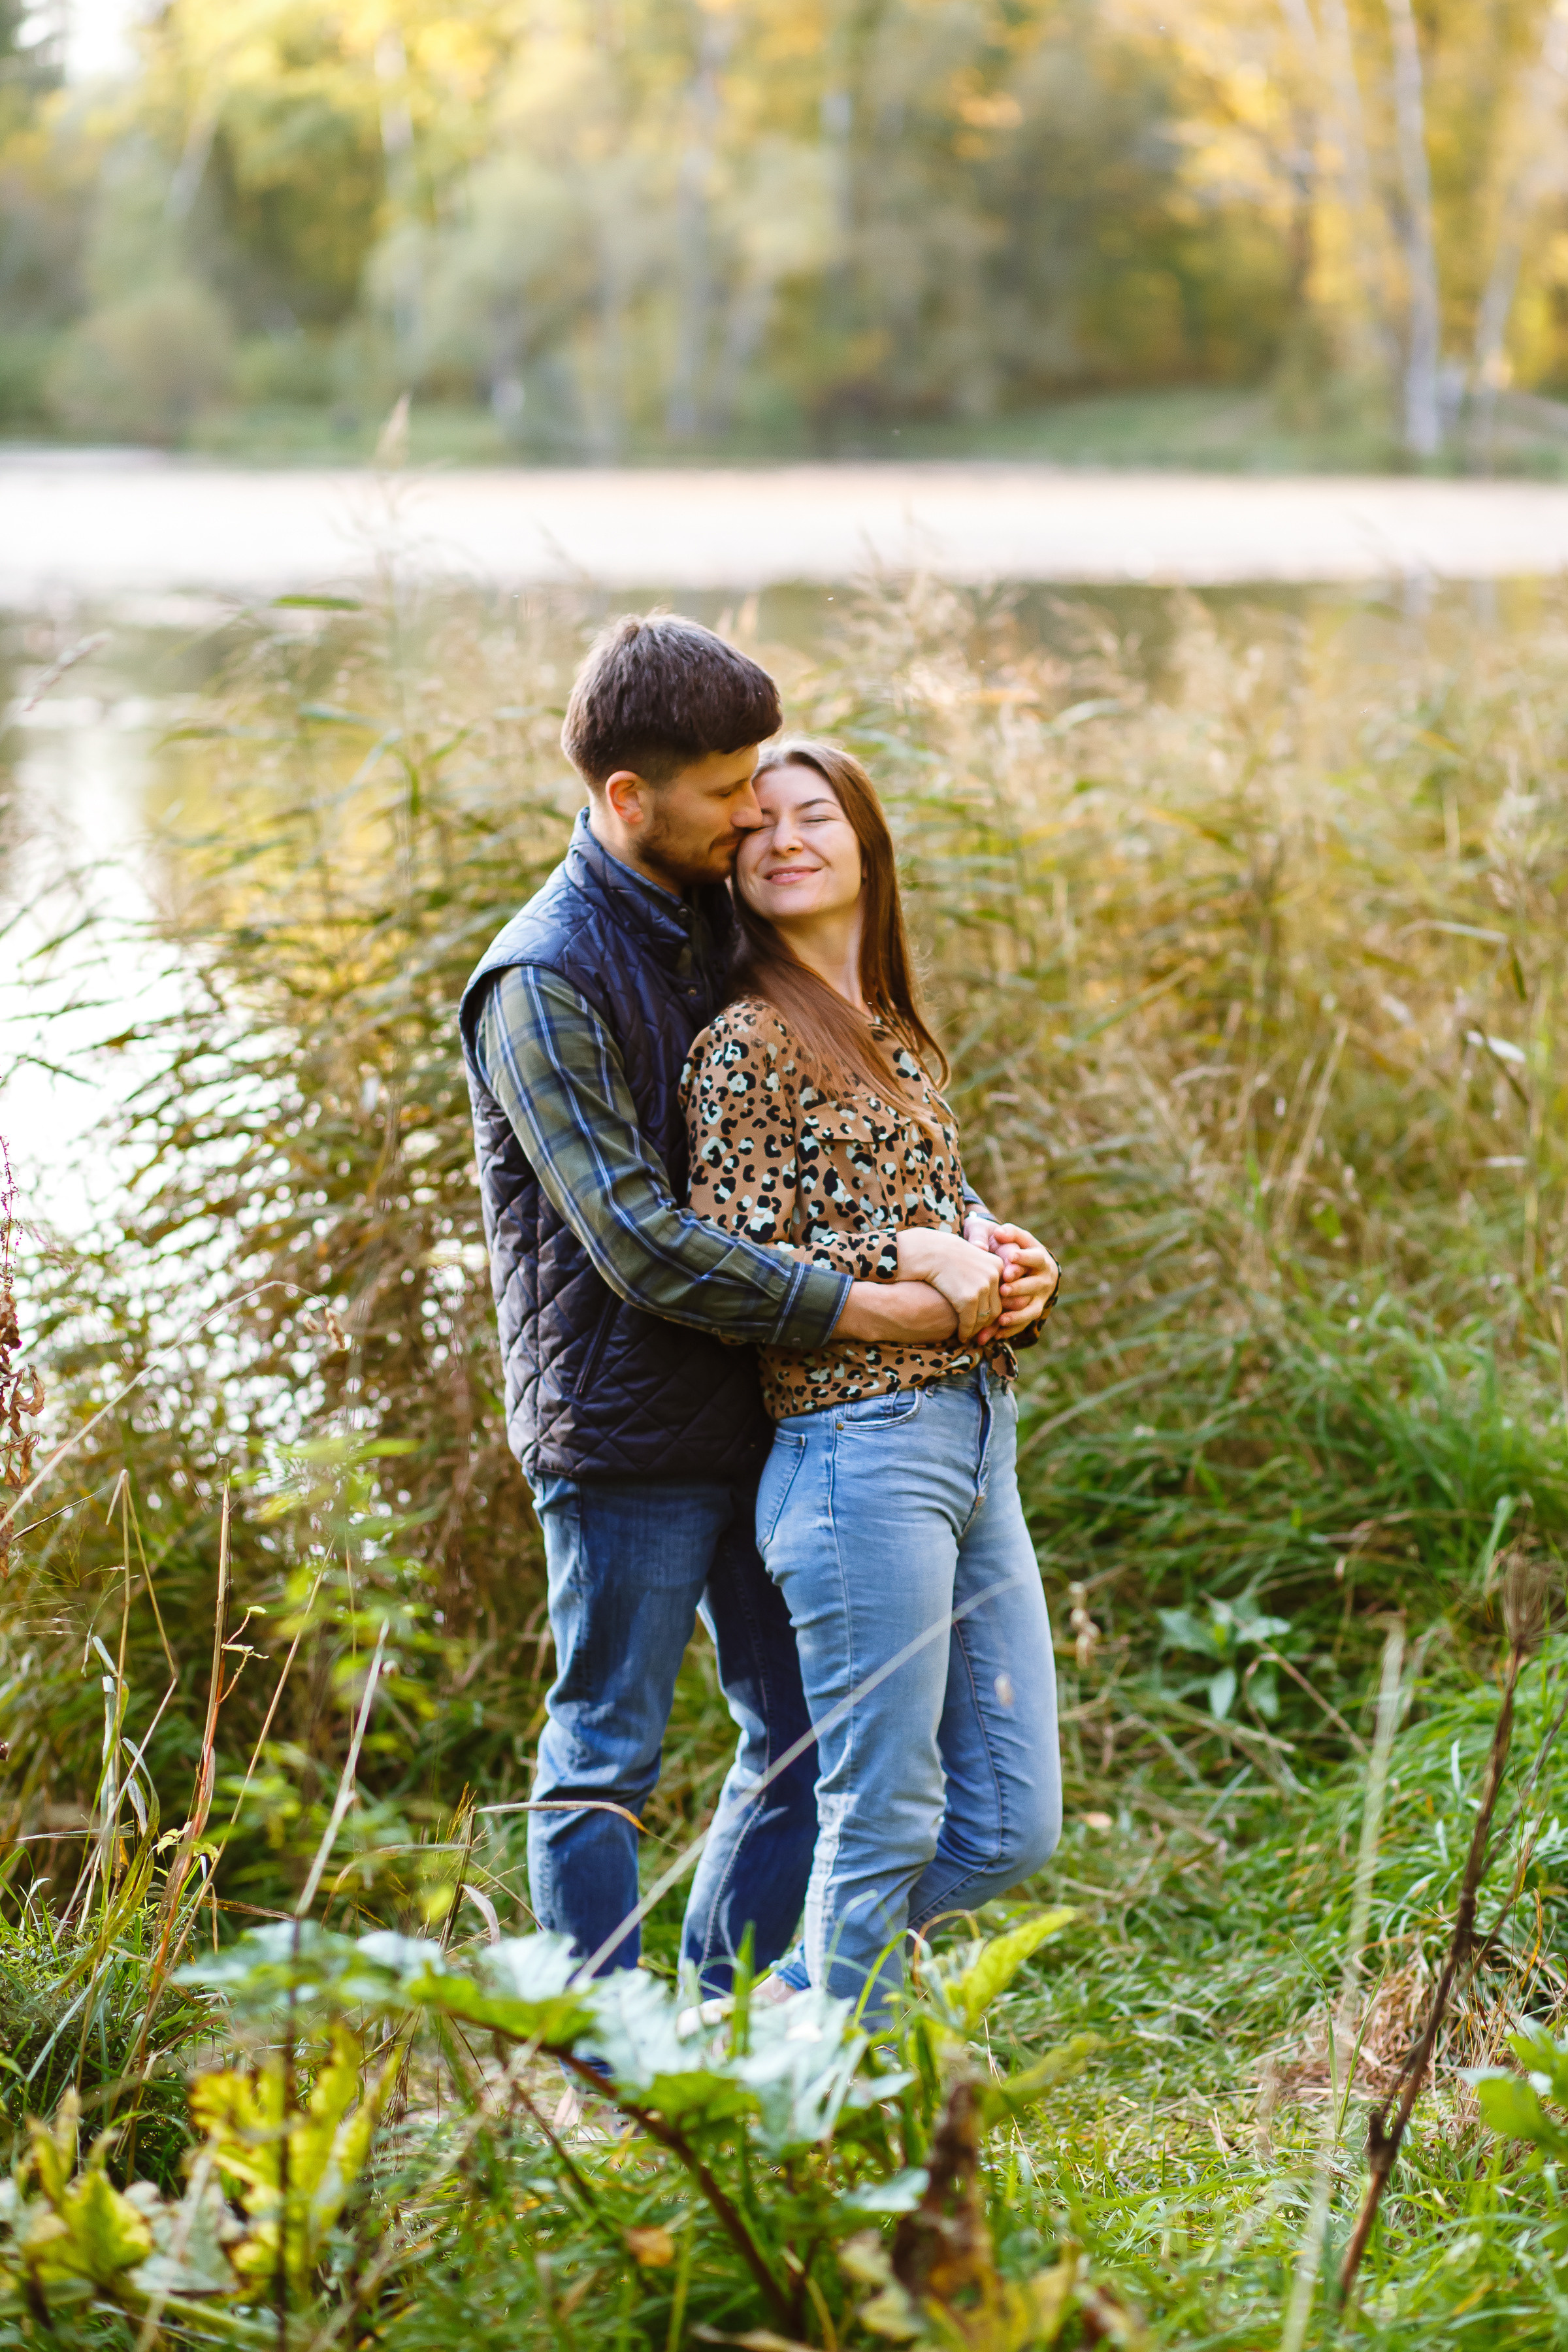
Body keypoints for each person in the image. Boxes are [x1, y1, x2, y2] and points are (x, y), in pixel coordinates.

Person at [458, 617, 1005, 1995]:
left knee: (802, 1739)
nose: (758, 808)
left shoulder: (714, 912)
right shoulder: (541, 979)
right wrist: (890, 1312)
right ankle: (601, 2058)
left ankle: (720, 2018)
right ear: (628, 798)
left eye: (762, 774)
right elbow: (641, 1246)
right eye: (727, 787)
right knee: (604, 1755)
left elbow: (840, 1136)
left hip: (771, 1410)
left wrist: (977, 1243)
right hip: (627, 1431)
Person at [681, 736, 1063, 2019]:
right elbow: (732, 1255)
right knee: (883, 1811)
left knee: (1008, 1826)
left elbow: (930, 1210)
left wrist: (1007, 1257)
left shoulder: (892, 1035)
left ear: (866, 847)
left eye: (814, 817)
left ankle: (788, 1998)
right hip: (856, 1456)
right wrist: (905, 1251)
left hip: (974, 1435)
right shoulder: (747, 1040)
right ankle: (823, 2085)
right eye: (756, 826)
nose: (783, 839)